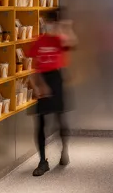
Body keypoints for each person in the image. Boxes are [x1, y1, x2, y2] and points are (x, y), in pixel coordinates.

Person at [28, 9, 77, 176]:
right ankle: (43, 161)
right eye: (46, 22)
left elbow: (73, 42)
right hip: (42, 80)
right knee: (40, 123)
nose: (48, 25)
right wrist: (37, 86)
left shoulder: (59, 39)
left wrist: (65, 26)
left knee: (60, 119)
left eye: (50, 22)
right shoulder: (39, 41)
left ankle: (64, 151)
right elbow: (34, 67)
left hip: (56, 79)